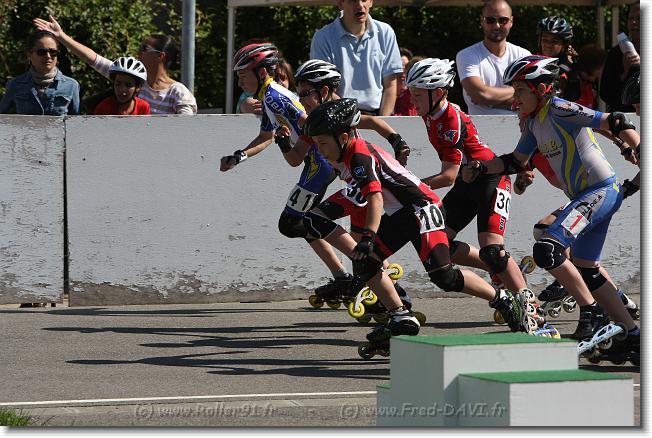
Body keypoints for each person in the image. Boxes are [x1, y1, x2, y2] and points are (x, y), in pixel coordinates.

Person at [303, 98, 537, 356]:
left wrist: (368, 236)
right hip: (402, 213)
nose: (320, 150)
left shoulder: (358, 155)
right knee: (365, 263)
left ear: (343, 137)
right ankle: (400, 317)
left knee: (444, 277)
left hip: (422, 209)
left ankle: (501, 299)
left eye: (323, 143)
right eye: (316, 144)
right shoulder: (346, 152)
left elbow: (375, 197)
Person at [462, 55, 640, 360]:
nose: (515, 99)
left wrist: (636, 146)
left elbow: (614, 120)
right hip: (588, 195)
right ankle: (631, 334)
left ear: (543, 89)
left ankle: (593, 313)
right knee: (587, 267)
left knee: (548, 249)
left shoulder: (559, 108)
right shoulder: (534, 123)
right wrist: (480, 168)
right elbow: (514, 162)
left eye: (520, 91)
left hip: (600, 190)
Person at [289, 59, 413, 313]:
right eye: (298, 94)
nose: (301, 100)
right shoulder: (315, 120)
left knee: (315, 221)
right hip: (354, 186)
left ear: (324, 91)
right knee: (356, 242)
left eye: (305, 93)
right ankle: (393, 294)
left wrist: (398, 141)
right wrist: (282, 142)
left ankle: (376, 285)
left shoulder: (339, 112)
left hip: (361, 186)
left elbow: (374, 122)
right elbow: (296, 157)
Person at [405, 57, 528, 294]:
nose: (412, 100)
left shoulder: (450, 119)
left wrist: (409, 187)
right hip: (468, 181)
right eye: (411, 93)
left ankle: (529, 304)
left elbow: (448, 176)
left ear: (437, 93)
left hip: (491, 179)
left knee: (492, 250)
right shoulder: (430, 111)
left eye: (417, 95)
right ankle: (500, 269)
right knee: (441, 245)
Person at [33, 15, 197, 115]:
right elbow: (93, 59)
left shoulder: (178, 92)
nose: (138, 51)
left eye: (144, 48)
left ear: (160, 56)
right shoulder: (131, 78)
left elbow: (186, 130)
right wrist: (61, 36)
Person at [310, 0, 403, 116]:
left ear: (371, 2)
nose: (359, 5)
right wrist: (351, 118)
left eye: (364, 0)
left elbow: (390, 85)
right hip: (339, 116)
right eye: (352, 0)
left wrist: (382, 121)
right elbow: (323, 87)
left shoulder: (385, 33)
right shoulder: (323, 37)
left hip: (376, 116)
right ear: (340, 4)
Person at [455, 0, 530, 115]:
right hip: (479, 126)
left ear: (511, 21)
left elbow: (530, 98)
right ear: (482, 21)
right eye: (490, 20)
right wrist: (517, 92)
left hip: (520, 125)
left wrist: (487, 100)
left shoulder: (524, 55)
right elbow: (481, 95)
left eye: (503, 20)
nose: (496, 26)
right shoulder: (466, 55)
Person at [0, 30, 79, 115]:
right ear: (29, 55)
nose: (48, 56)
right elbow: (2, 116)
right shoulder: (15, 84)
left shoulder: (71, 85)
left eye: (53, 52)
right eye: (41, 52)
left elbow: (76, 120)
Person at [599, 1, 640, 112]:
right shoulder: (616, 53)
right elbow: (605, 94)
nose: (634, 22)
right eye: (631, 18)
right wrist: (625, 73)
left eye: (639, 18)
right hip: (623, 118)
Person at [535, 16, 581, 103]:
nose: (548, 44)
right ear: (539, 41)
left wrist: (572, 71)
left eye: (554, 41)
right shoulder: (531, 62)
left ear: (564, 45)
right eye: (545, 39)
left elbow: (575, 96)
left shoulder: (570, 67)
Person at [392, 48, 418, 116]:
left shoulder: (416, 95)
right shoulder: (381, 96)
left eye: (406, 66)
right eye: (399, 66)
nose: (403, 69)